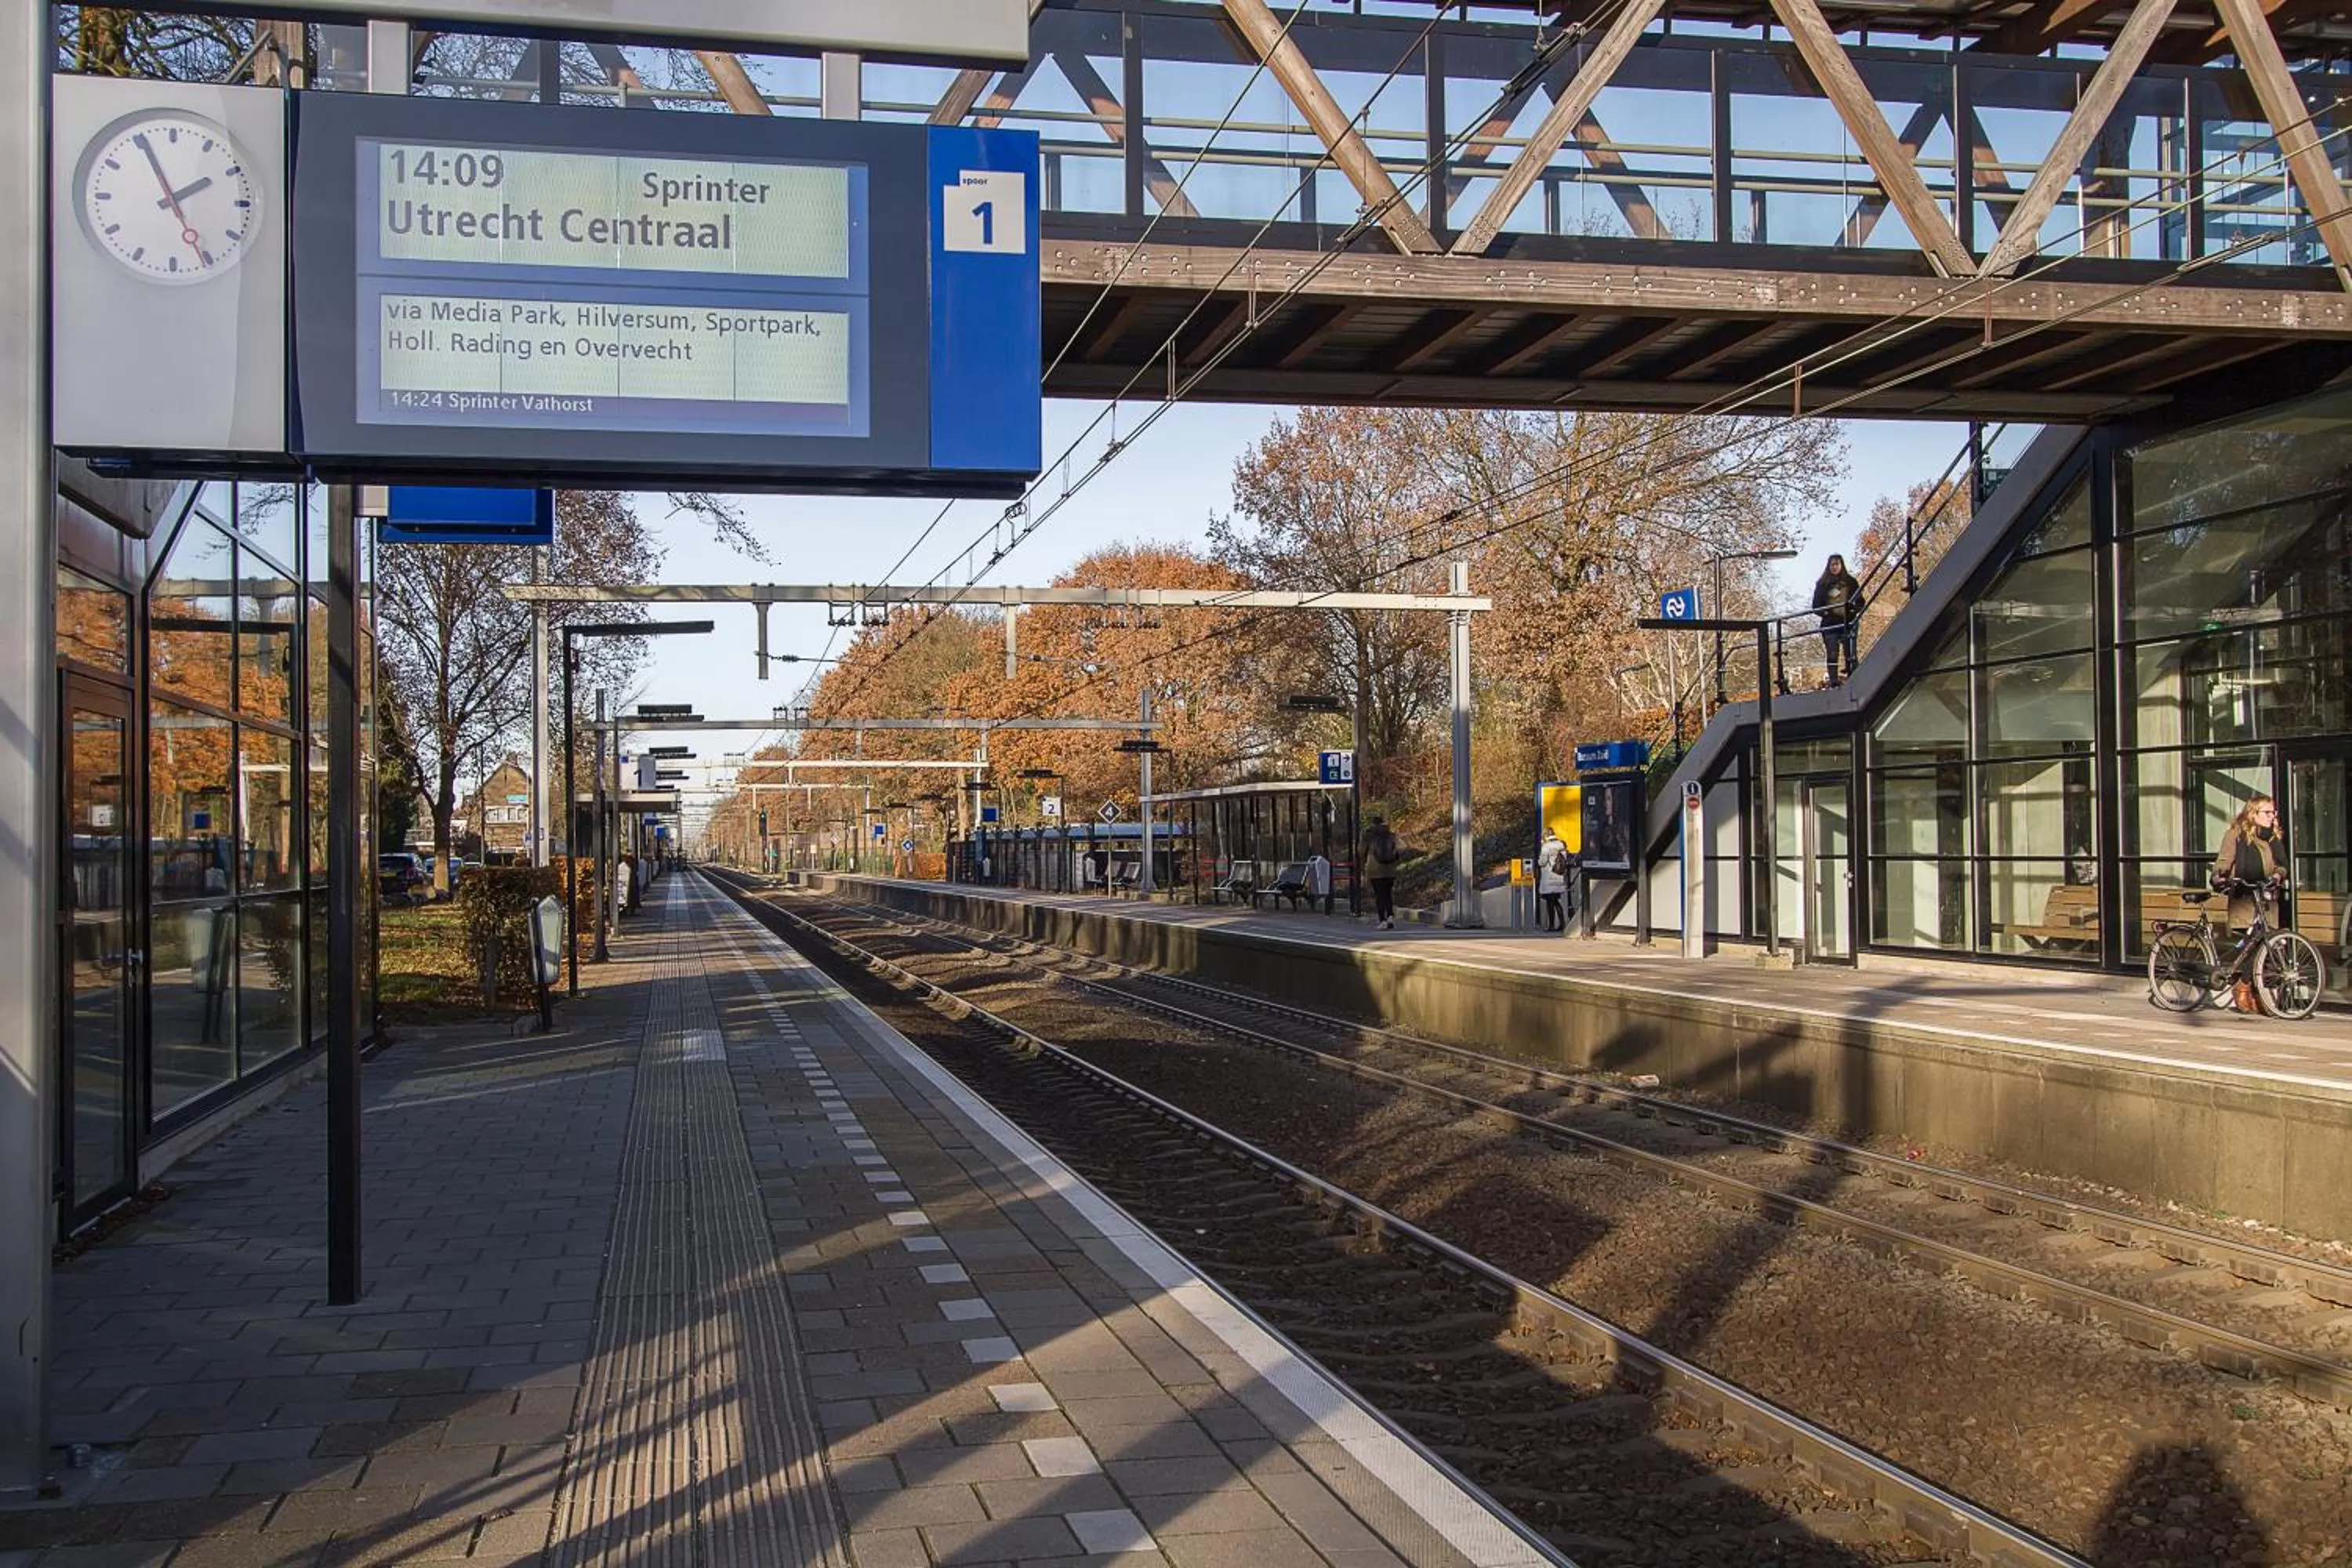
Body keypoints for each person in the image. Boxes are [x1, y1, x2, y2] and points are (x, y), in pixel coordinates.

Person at [2208, 795, 2285, 1013]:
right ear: (2253, 814)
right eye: (2267, 813)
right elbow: (2223, 861)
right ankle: (2243, 988)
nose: (2272, 817)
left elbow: (2282, 865)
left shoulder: (2273, 838)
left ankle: (2251, 989)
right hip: (2244, 897)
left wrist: (2278, 876)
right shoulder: (2236, 835)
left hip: (2266, 899)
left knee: (2265, 946)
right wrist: (2220, 876)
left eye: (2273, 813)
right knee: (2253, 946)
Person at [1812, 553, 1864, 688]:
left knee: (1850, 653)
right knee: (1832, 653)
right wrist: (1827, 612)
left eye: (1837, 564)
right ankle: (1834, 681)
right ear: (1828, 566)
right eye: (1832, 565)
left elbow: (1860, 602)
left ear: (1842, 565)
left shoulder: (1851, 582)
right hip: (1830, 624)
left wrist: (1852, 611)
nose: (1834, 567)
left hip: (1848, 622)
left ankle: (1855, 678)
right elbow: (1816, 606)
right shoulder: (1822, 584)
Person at [1363, 814, 1409, 930]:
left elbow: (1360, 851)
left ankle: (1382, 920)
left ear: (1372, 823)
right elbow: (1399, 851)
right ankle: (1390, 917)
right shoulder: (1391, 835)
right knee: (1388, 894)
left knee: (1379, 896)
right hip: (1390, 870)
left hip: (1375, 870)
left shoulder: (1368, 836)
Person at [1537, 829, 1570, 933]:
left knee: (1550, 902)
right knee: (1556, 901)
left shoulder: (1546, 847)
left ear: (1545, 836)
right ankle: (1562, 923)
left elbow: (1542, 862)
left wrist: (1538, 860)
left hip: (1549, 877)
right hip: (1559, 876)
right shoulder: (1561, 844)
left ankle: (1551, 925)